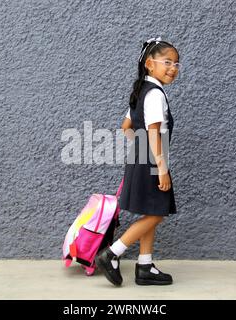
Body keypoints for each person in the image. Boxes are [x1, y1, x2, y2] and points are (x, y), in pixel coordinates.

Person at [95, 37, 181, 286]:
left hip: (141, 158)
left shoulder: (141, 91)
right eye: (167, 62)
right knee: (157, 214)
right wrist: (162, 169)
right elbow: (153, 133)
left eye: (176, 63)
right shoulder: (154, 94)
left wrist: (140, 147)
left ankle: (145, 265)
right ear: (149, 63)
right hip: (153, 162)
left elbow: (126, 127)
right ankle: (112, 254)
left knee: (151, 211)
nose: (173, 68)